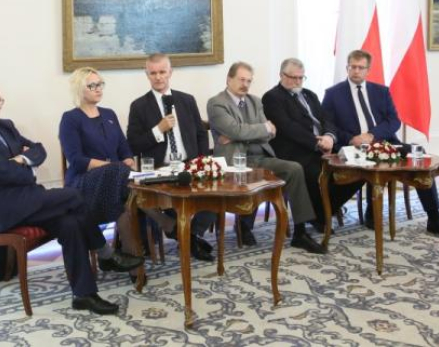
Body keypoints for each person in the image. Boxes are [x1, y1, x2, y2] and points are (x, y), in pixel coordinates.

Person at [0, 82, 143, 316]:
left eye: (0, 100)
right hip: (3, 210)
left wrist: (22, 159)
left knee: (71, 223)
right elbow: (2, 173)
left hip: (30, 199)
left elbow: (39, 150)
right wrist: (25, 165)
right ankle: (105, 253)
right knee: (75, 195)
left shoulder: (5, 126)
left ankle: (84, 294)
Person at [321, 49, 439, 241]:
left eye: (360, 68)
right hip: (354, 147)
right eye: (352, 67)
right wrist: (352, 139)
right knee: (366, 168)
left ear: (368, 70)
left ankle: (435, 219)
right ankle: (369, 214)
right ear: (347, 68)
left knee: (419, 159)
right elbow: (328, 125)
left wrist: (372, 135)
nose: (356, 71)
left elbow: (394, 121)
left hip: (385, 142)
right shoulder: (333, 94)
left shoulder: (381, 91)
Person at [59, 67, 177, 280]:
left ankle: (135, 269)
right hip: (83, 184)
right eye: (92, 85)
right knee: (120, 173)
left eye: (100, 84)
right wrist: (114, 167)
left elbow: (124, 148)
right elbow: (76, 160)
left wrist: (129, 160)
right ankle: (163, 220)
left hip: (115, 183)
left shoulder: (109, 114)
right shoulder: (70, 119)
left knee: (125, 206)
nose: (98, 89)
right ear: (79, 89)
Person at [207, 62, 326, 253]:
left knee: (295, 168)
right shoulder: (217, 102)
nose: (245, 84)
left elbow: (271, 133)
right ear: (229, 79)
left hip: (260, 157)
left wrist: (245, 133)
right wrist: (256, 130)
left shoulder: (255, 101)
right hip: (234, 163)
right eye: (241, 80)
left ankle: (300, 233)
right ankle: (244, 227)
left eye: (249, 81)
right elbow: (237, 130)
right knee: (253, 173)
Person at [126, 53, 217, 262]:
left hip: (189, 164)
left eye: (162, 72)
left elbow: (201, 134)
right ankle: (187, 238)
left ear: (170, 72)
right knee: (167, 200)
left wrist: (201, 161)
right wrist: (158, 129)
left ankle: (191, 234)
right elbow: (133, 144)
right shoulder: (139, 106)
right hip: (159, 168)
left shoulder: (186, 100)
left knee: (216, 194)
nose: (158, 77)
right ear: (147, 74)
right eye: (153, 73)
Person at [262, 58, 363, 232]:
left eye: (301, 78)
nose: (298, 82)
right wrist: (317, 143)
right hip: (295, 150)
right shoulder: (272, 97)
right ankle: (320, 217)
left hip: (325, 145)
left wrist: (330, 137)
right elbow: (288, 128)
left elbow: (327, 119)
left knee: (358, 169)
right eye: (293, 77)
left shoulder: (310, 94)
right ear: (281, 75)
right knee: (318, 172)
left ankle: (323, 211)